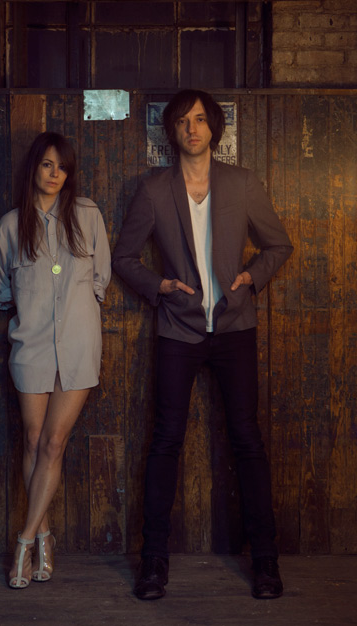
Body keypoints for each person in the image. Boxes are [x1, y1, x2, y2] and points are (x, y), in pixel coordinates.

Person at [112, 90, 293, 601]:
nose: (191, 129)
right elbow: (124, 258)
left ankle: (266, 561)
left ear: (213, 128)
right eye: (182, 121)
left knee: (247, 440)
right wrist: (161, 286)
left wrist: (251, 278)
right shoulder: (154, 189)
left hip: (234, 327)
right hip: (178, 328)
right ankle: (153, 562)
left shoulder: (241, 183)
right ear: (172, 131)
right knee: (165, 440)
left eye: (199, 120)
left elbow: (278, 245)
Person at [0, 131, 111, 589]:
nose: (56, 174)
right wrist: (30, 306)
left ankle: (23, 543)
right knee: (34, 441)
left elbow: (100, 277)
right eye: (47, 165)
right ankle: (45, 536)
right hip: (31, 347)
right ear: (34, 168)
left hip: (77, 344)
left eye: (63, 167)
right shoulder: (11, 226)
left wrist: (78, 310)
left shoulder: (87, 215)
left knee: (55, 443)